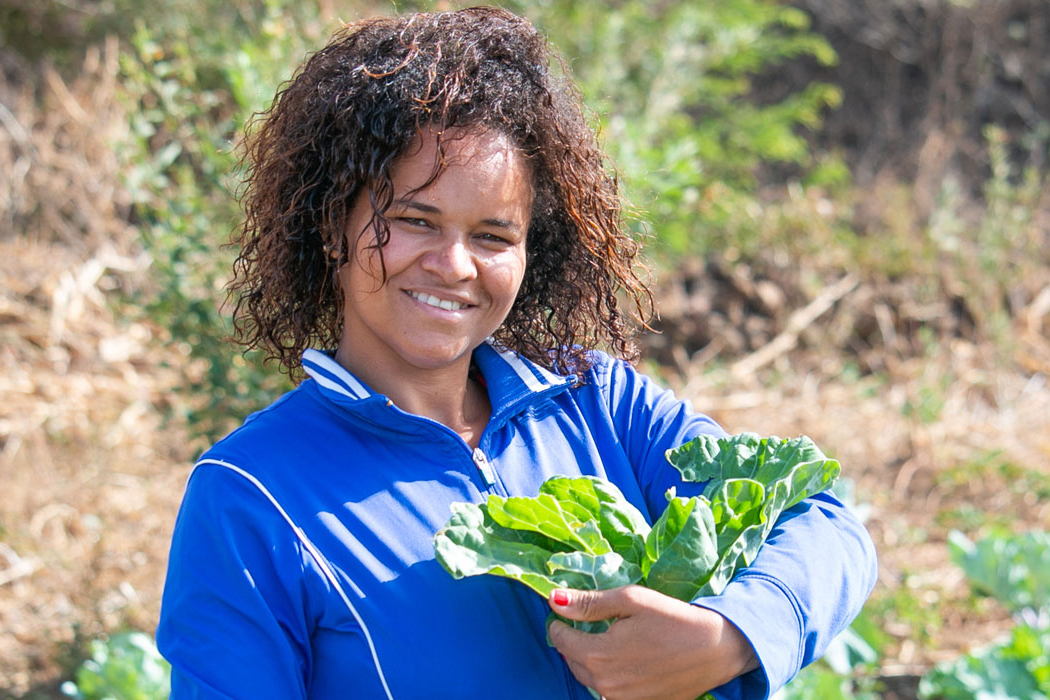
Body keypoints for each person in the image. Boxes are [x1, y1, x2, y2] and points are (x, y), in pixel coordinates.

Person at [156, 7, 877, 700]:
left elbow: (823, 522)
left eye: (494, 236)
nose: (455, 264)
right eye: (414, 220)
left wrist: (734, 634)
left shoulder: (599, 401)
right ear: (328, 221)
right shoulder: (248, 496)